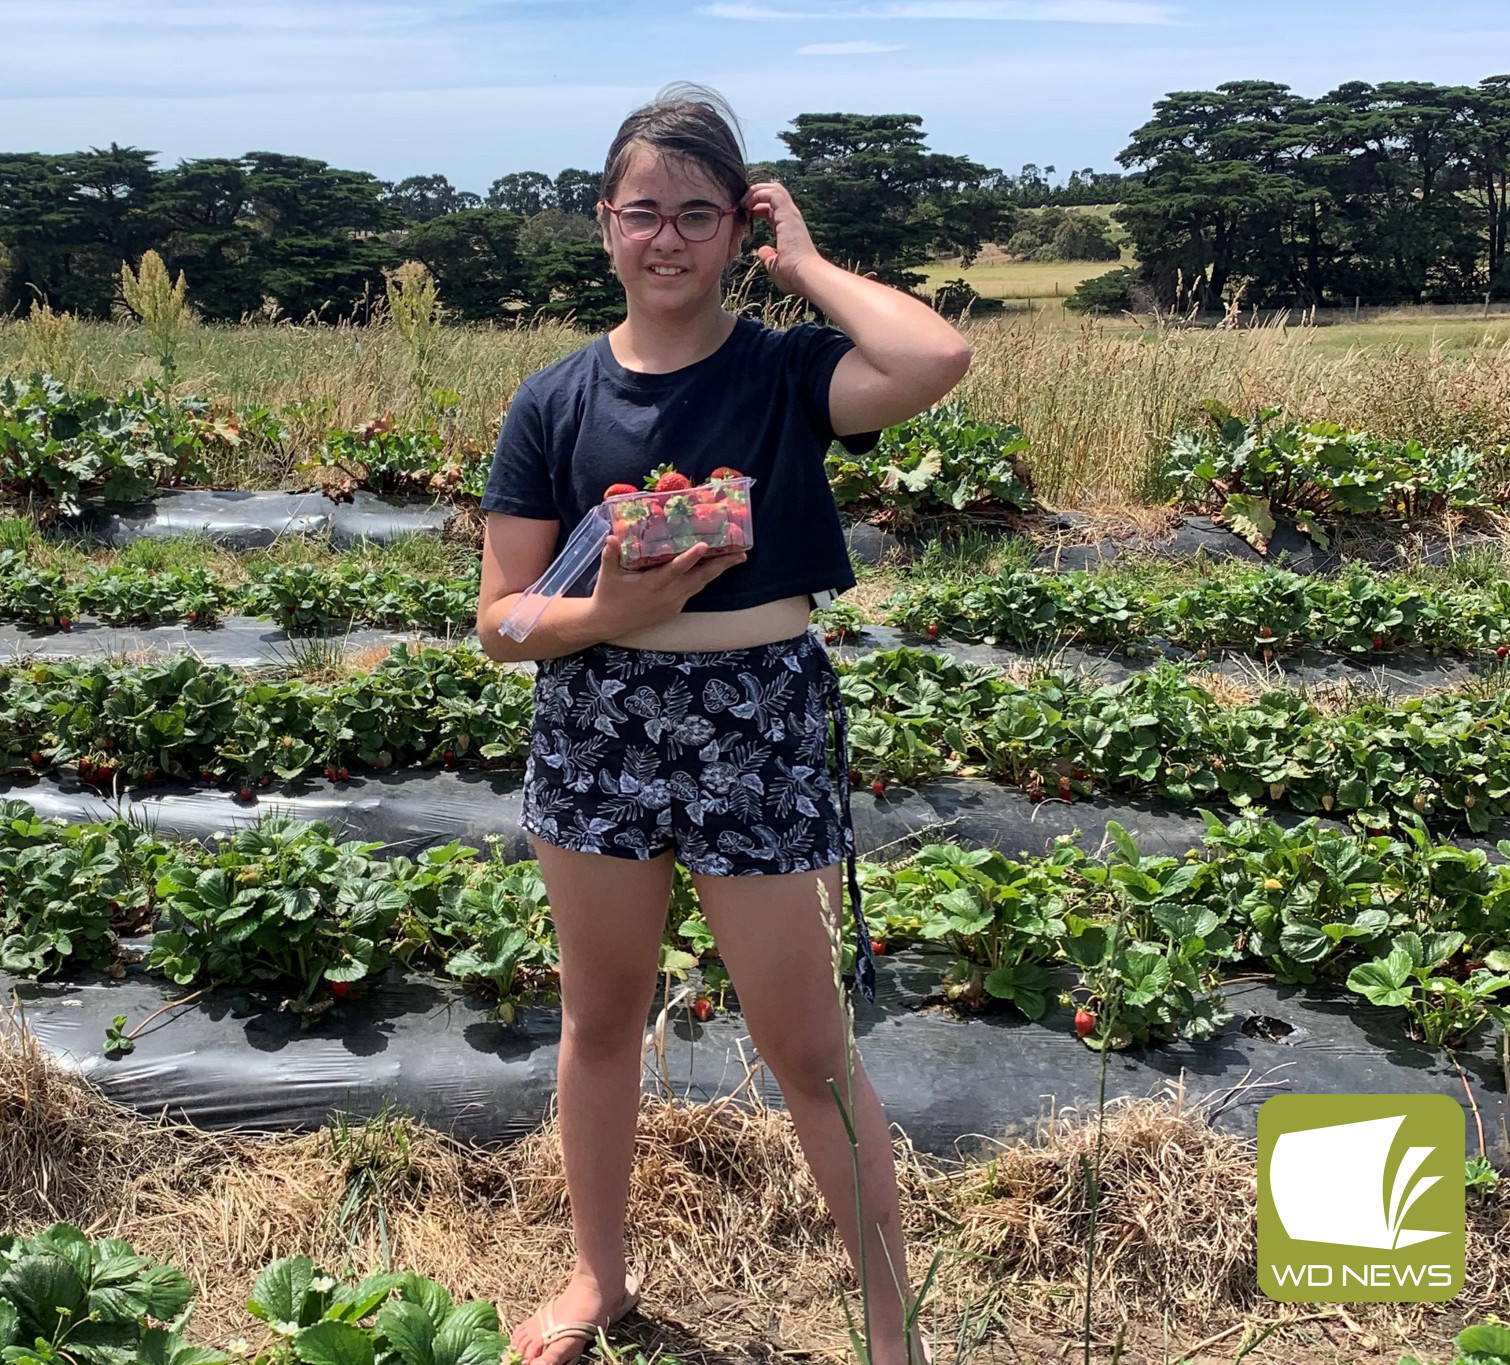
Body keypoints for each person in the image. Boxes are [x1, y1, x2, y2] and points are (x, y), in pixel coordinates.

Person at [474, 84, 972, 1365]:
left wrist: (802, 265)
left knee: (805, 1047)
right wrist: (605, 608)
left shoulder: (786, 374)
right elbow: (498, 620)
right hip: (597, 723)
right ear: (603, 224)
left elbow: (933, 360)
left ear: (736, 226)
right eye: (642, 211)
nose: (667, 238)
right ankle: (598, 1279)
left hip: (755, 716)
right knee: (599, 1019)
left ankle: (886, 1326)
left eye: (700, 213)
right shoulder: (554, 403)